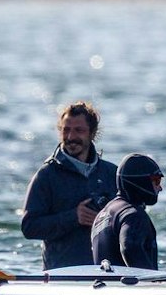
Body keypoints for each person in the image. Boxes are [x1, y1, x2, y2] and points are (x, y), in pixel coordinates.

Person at [20, 100, 119, 269]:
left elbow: (131, 220)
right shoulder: (46, 175)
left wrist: (104, 222)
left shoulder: (112, 173)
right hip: (63, 275)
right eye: (66, 130)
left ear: (92, 133)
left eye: (79, 130)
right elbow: (29, 227)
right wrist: (74, 217)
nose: (71, 137)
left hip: (107, 273)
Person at [91, 153, 164, 270]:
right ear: (141, 181)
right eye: (156, 181)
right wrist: (151, 282)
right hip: (130, 286)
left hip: (102, 285)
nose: (160, 188)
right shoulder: (133, 215)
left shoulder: (103, 214)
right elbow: (130, 246)